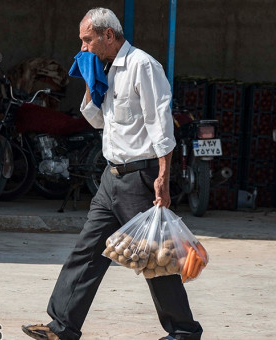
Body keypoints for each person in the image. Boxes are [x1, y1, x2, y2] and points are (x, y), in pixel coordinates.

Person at [21, 8, 202, 340]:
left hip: (140, 180)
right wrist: (91, 85)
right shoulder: (105, 70)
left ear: (108, 35)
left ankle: (184, 332)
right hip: (110, 179)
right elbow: (100, 121)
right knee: (87, 251)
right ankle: (62, 326)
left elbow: (160, 125)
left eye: (87, 40)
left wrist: (163, 177)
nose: (84, 48)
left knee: (154, 261)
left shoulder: (143, 66)